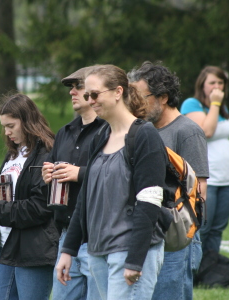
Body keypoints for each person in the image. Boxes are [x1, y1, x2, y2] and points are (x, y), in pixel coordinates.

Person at [56, 64, 169, 299]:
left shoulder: (144, 135)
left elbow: (149, 202)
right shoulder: (101, 135)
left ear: (118, 92)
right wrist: (68, 251)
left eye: (95, 94)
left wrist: (135, 261)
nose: (90, 100)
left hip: (129, 252)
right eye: (87, 95)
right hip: (97, 252)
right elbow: (85, 199)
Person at [128, 61, 209, 300]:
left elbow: (199, 190)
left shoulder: (187, 131)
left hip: (177, 237)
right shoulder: (144, 130)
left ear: (163, 97)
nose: (136, 105)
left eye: (141, 97)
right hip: (150, 232)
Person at [0, 93, 57, 300]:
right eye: (4, 127)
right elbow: (9, 197)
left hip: (33, 248)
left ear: (27, 121)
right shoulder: (13, 153)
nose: (6, 132)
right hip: (2, 244)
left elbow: (40, 207)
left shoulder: (47, 153)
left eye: (11, 126)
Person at [41, 66, 105, 300]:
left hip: (98, 235)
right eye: (71, 87)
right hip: (67, 235)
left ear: (94, 92)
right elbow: (51, 168)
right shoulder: (64, 132)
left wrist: (79, 173)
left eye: (78, 86)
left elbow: (117, 173)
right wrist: (47, 174)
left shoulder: (109, 130)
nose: (72, 92)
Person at [181, 66, 229, 254]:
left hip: (228, 177)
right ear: (202, 85)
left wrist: (217, 105)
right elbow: (207, 131)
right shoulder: (192, 104)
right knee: (203, 227)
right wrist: (214, 104)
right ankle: (197, 269)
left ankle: (211, 268)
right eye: (212, 83)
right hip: (208, 177)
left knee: (218, 229)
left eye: (220, 83)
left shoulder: (223, 108)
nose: (217, 87)